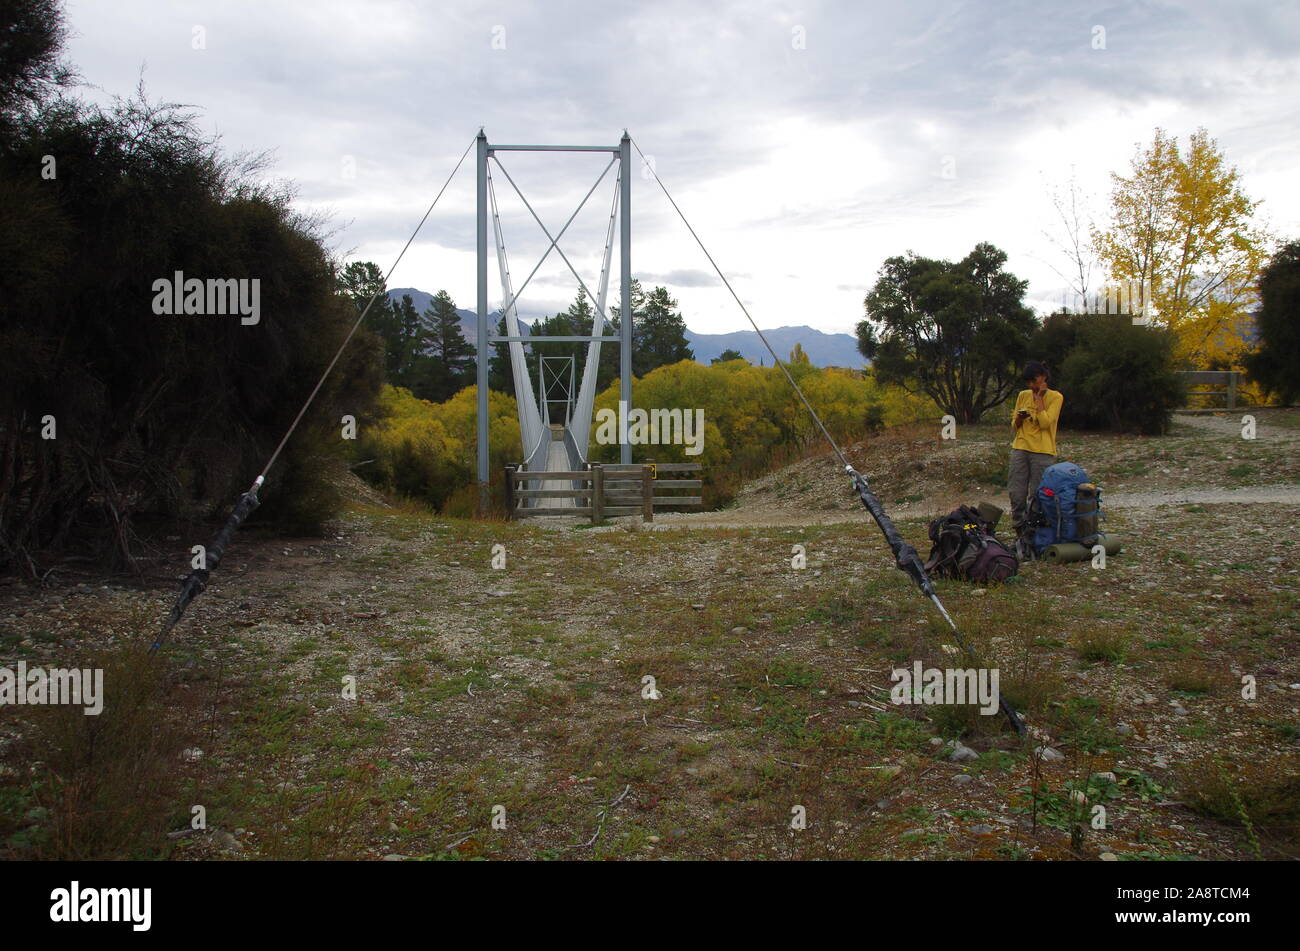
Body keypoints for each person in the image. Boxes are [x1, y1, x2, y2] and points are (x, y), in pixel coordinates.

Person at [1008, 361, 1063, 536]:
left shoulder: (1056, 397)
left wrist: (1039, 399)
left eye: (1035, 381)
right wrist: (1020, 418)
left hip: (1043, 451)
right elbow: (1014, 425)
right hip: (1021, 446)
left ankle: (1034, 532)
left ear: (1043, 377)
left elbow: (1046, 423)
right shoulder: (1023, 395)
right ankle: (1019, 527)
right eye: (1029, 382)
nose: (1032, 385)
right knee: (1016, 491)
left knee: (1037, 494)